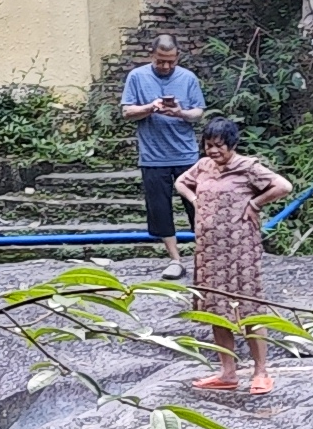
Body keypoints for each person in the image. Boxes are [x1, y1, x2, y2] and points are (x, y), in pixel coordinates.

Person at [175, 116, 294, 395]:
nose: (213, 150)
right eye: (209, 145)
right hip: (209, 252)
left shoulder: (247, 167)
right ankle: (227, 372)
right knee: (216, 308)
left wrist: (255, 203)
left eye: (219, 145)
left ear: (232, 144)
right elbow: (181, 182)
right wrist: (195, 200)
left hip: (240, 252)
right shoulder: (203, 166)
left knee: (249, 308)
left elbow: (283, 186)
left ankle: (261, 372)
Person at [119, 33, 207, 261]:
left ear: (178, 57)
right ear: (151, 55)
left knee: (198, 206)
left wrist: (180, 112)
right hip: (153, 156)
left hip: (186, 155)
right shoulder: (137, 77)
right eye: (160, 61)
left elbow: (198, 113)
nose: (166, 66)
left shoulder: (188, 78)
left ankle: (205, 254)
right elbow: (127, 112)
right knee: (160, 210)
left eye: (171, 61)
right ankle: (175, 259)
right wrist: (150, 107)